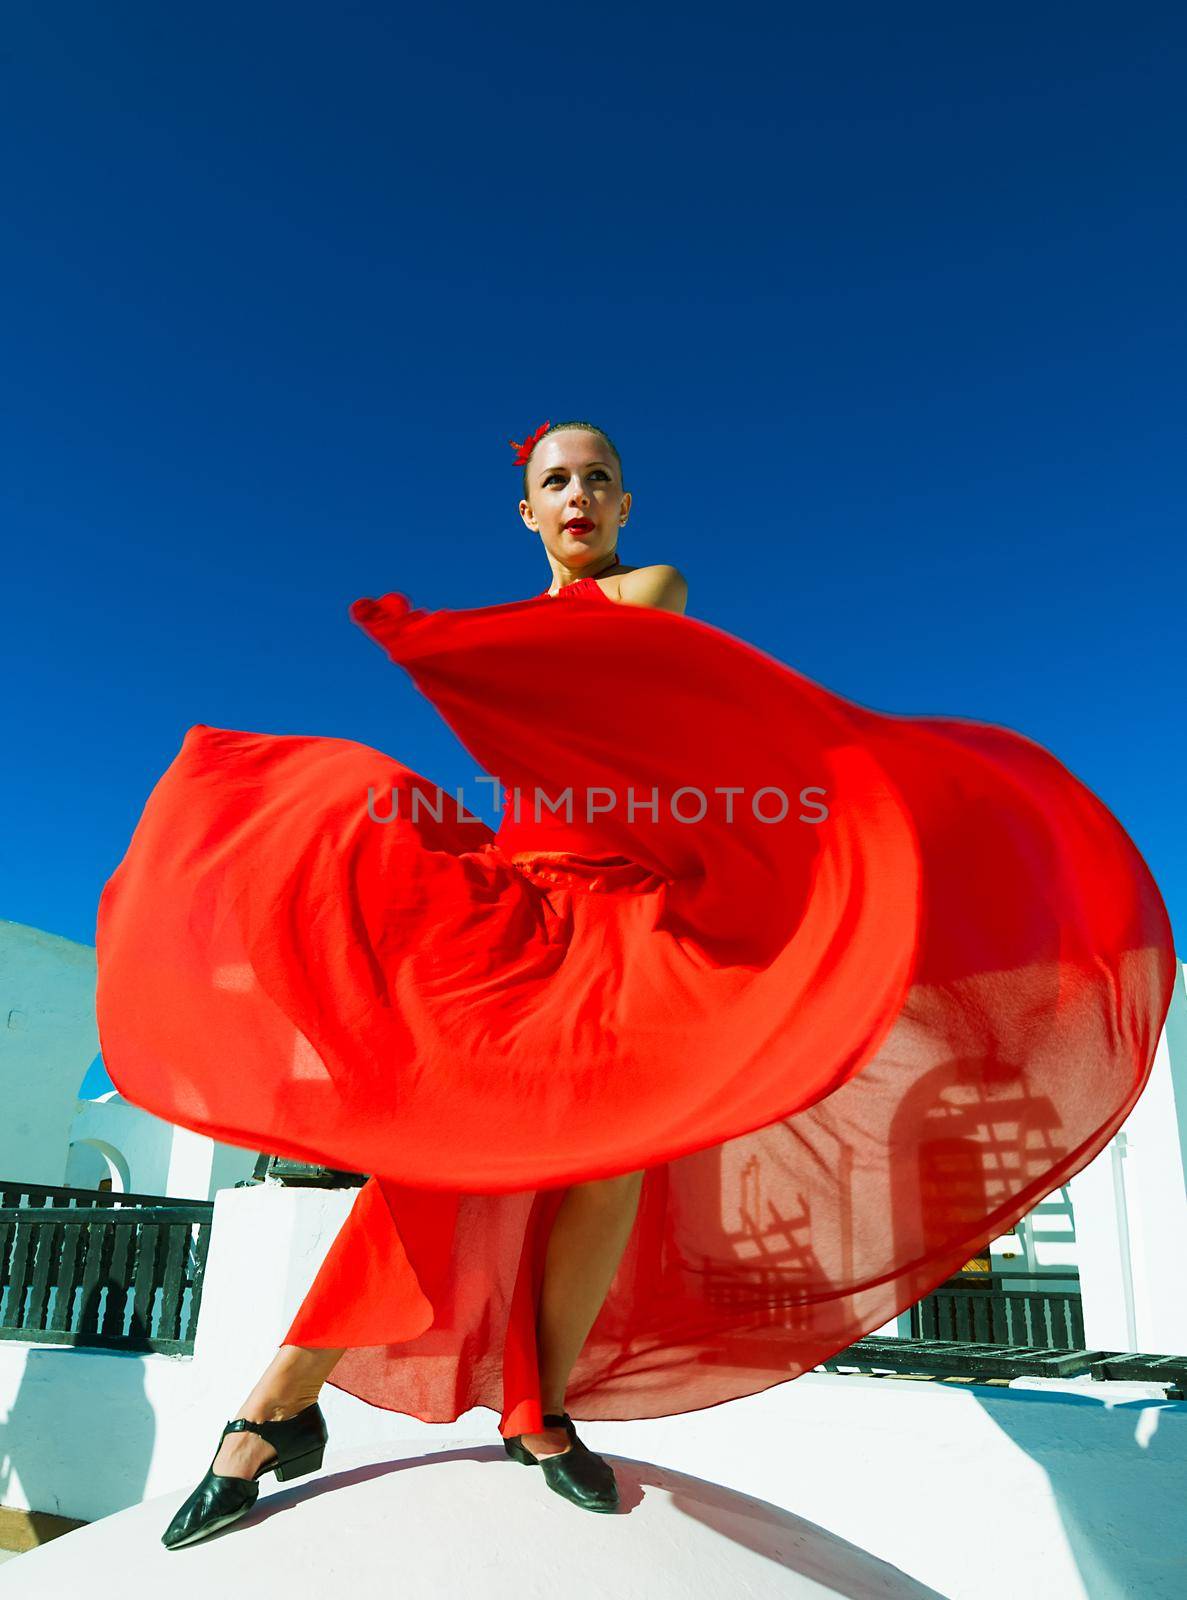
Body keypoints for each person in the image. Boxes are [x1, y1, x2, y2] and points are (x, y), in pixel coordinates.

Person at [94, 419, 1177, 1551]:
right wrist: (455, 655)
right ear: (524, 511)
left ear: (622, 505)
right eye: (553, 482)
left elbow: (594, 676)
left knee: (609, 1170)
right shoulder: (521, 628)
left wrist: (461, 653)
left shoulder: (644, 589)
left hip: (629, 925)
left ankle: (532, 1405)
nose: (577, 496)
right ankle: (280, 1397)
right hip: (519, 919)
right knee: (442, 1148)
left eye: (596, 481)